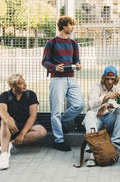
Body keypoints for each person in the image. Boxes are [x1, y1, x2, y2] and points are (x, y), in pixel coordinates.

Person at [42, 16, 85, 151]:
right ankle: (58, 140)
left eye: (73, 25)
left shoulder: (74, 44)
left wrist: (78, 65)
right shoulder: (51, 43)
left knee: (79, 104)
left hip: (71, 79)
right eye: (70, 25)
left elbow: (76, 60)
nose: (72, 27)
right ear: (63, 26)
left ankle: (60, 123)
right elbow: (45, 61)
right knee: (55, 111)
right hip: (57, 80)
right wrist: (54, 67)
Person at [82, 65, 120, 167]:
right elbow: (91, 104)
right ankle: (92, 151)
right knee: (89, 114)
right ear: (104, 78)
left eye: (112, 79)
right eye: (107, 79)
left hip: (109, 119)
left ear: (115, 79)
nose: (109, 82)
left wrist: (108, 105)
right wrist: (105, 98)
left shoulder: (117, 90)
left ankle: (115, 143)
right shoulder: (96, 87)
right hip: (96, 119)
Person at [0, 73, 47, 170]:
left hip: (27, 125)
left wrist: (22, 134)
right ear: (13, 86)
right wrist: (8, 121)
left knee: (42, 131)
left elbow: (33, 116)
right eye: (21, 83)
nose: (25, 85)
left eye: (24, 82)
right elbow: (2, 111)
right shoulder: (4, 95)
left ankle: (10, 144)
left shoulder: (30, 95)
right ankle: (4, 155)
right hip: (11, 125)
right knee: (5, 120)